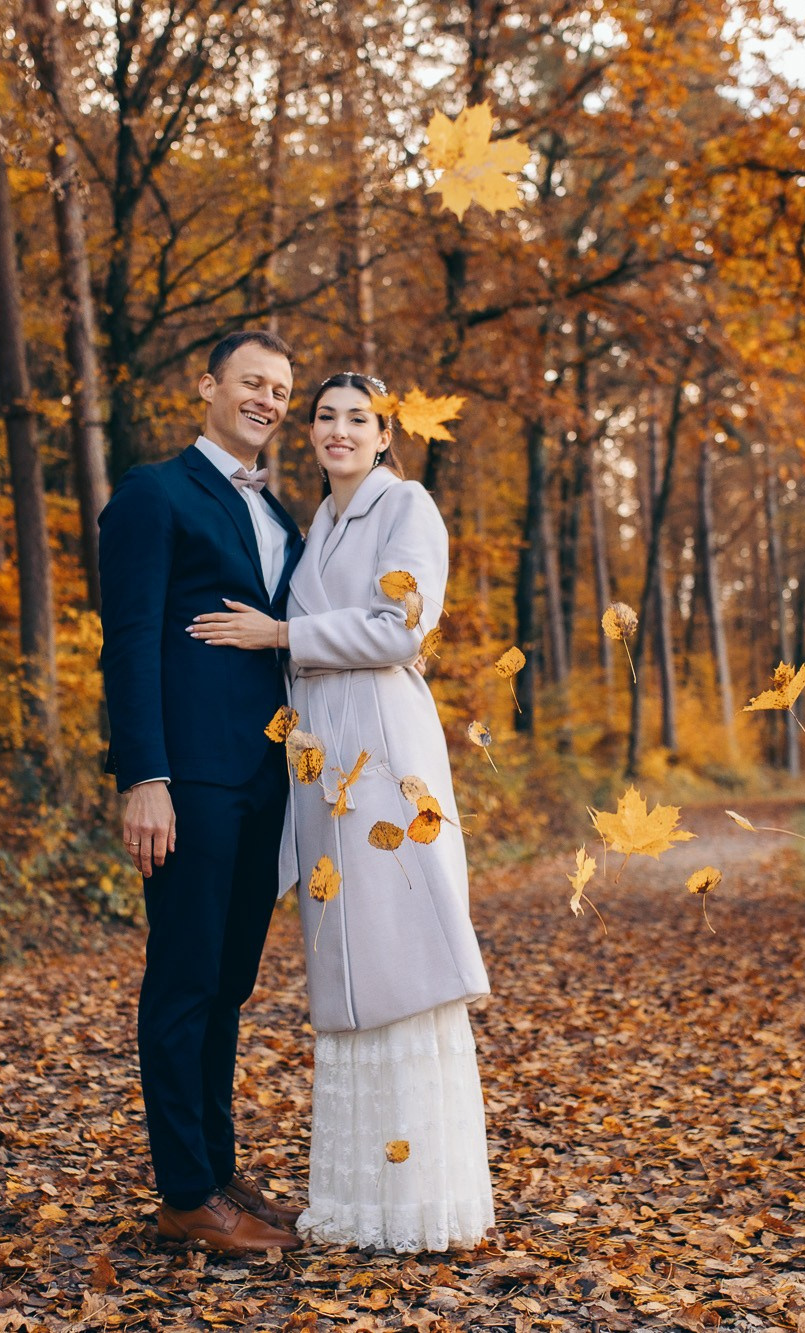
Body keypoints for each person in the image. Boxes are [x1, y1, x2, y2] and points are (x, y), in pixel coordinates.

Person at [189, 372, 495, 1253]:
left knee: (397, 957)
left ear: (383, 431)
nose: (338, 430)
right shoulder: (315, 520)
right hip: (320, 754)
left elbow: (402, 627)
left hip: (383, 746)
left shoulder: (409, 507)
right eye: (325, 416)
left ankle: (419, 1198)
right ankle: (360, 1198)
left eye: (358, 418)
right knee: (347, 959)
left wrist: (284, 634)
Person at [96, 330, 310, 1255]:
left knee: (228, 983)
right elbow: (130, 640)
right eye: (252, 382)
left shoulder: (285, 515)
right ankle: (185, 1193)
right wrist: (145, 776)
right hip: (187, 778)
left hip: (263, 783)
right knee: (184, 979)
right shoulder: (152, 493)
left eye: (281, 390)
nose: (267, 399)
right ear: (208, 386)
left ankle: (215, 1168)